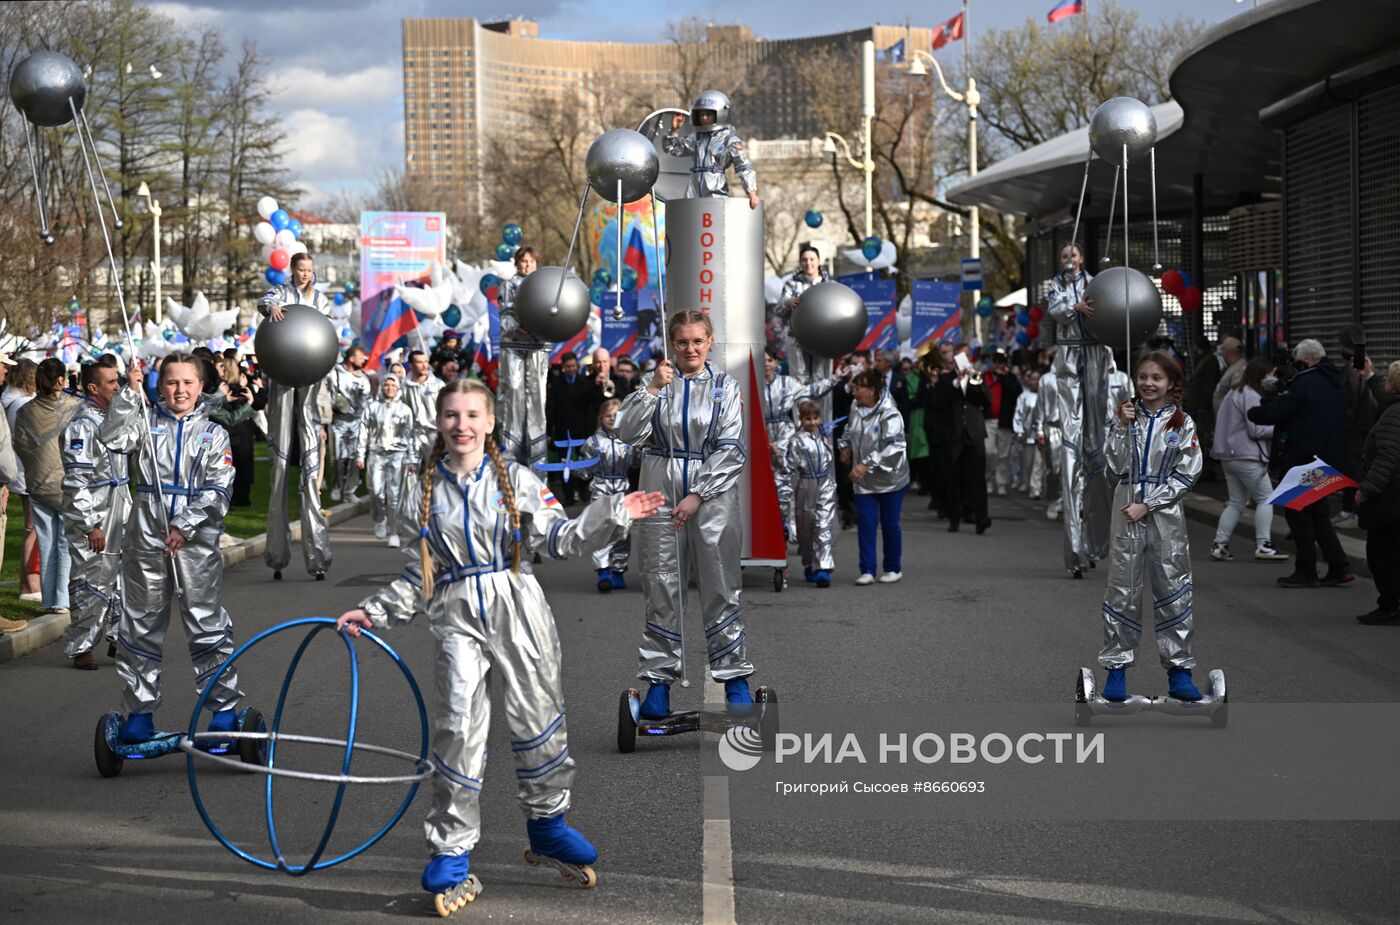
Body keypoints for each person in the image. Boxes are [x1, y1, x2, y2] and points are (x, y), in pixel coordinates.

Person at [336, 379, 662, 910]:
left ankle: (548, 825)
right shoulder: (421, 490)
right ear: (438, 422)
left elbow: (559, 539)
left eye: (472, 415)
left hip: (518, 608)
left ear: (489, 423)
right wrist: (373, 611)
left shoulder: (516, 479)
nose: (461, 425)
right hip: (456, 614)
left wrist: (614, 512)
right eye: (451, 415)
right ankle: (452, 849)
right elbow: (419, 575)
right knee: (457, 727)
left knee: (539, 718)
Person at [614, 311, 754, 720]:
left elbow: (732, 448)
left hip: (712, 497)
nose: (690, 349)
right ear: (671, 344)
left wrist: (698, 493)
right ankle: (659, 681)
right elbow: (626, 433)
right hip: (659, 487)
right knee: (661, 583)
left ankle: (734, 677)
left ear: (710, 341)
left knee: (720, 584)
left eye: (697, 341)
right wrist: (652, 389)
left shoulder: (726, 387)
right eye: (681, 342)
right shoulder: (656, 382)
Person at [99, 354, 243, 744]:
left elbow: (219, 489)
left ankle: (224, 711)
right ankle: (140, 713)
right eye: (172, 382)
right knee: (141, 625)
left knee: (205, 623)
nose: (180, 390)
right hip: (146, 537)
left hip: (196, 543)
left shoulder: (213, 434)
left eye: (188, 382)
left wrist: (186, 524)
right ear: (160, 386)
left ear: (201, 386)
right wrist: (128, 394)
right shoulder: (144, 425)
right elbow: (112, 438)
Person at [1099, 351, 1205, 703]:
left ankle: (1180, 671)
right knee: (1123, 588)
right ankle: (1116, 669)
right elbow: (1115, 469)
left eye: (1156, 377)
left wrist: (1149, 504)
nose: (1148, 383)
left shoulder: (1182, 423)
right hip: (1126, 510)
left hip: (1165, 516)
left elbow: (1187, 473)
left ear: (1171, 383)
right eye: (1142, 376)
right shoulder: (1125, 416)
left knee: (1173, 588)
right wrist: (1120, 426)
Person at [1248, 339, 1354, 589]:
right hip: (1330, 456)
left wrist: (1264, 401)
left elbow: (1275, 412)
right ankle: (1339, 566)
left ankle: (1307, 570)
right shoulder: (1337, 381)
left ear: (1304, 361)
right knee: (1318, 514)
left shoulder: (1303, 384)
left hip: (1304, 458)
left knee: (1298, 513)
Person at [257, 251, 332, 581]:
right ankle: (277, 553)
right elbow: (264, 301)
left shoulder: (320, 298)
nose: (306, 274)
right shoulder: (281, 292)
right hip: (282, 374)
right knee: (279, 462)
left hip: (311, 374)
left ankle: (318, 555)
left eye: (309, 270)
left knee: (310, 466)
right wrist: (271, 308)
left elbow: (326, 330)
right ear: (292, 269)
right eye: (301, 269)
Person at [59, 358, 129, 669]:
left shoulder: (113, 420)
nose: (118, 386)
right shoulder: (82, 426)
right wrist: (90, 525)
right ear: (93, 388)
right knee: (91, 579)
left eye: (118, 380)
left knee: (123, 577)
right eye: (112, 382)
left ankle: (119, 637)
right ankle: (81, 645)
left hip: (120, 508)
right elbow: (76, 482)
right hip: (95, 512)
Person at [1047, 243, 1110, 577]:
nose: (1069, 259)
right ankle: (1074, 549)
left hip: (1095, 355)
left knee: (1096, 448)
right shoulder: (1056, 284)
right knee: (1071, 449)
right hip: (1069, 357)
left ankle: (1095, 542)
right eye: (1064, 255)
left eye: (1073, 254)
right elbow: (1056, 310)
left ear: (1082, 258)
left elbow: (1109, 309)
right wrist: (1076, 306)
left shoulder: (1096, 282)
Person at [13, 358, 83, 615]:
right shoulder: (75, 406)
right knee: (64, 541)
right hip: (66, 484)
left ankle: (50, 599)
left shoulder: (26, 411)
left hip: (38, 483)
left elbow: (20, 445)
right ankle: (62, 599)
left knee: (46, 541)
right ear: (62, 380)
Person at [1209, 356, 1289, 563]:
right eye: (1270, 374)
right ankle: (1263, 544)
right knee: (1266, 498)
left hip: (1227, 455)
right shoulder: (1252, 396)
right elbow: (1256, 429)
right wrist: (1280, 428)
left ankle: (1220, 544)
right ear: (1261, 375)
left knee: (1236, 502)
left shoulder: (1233, 393)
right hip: (1248, 456)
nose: (1272, 379)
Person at [761, 347, 841, 539]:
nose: (766, 364)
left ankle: (790, 531)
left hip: (784, 433)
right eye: (762, 361)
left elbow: (811, 390)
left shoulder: (787, 383)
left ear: (776, 362)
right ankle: (768, 531)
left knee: (785, 485)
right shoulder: (754, 382)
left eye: (770, 360)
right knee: (763, 487)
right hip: (762, 431)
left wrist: (834, 378)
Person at [840, 368, 909, 585]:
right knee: (866, 524)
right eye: (853, 388)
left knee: (889, 524)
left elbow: (895, 447)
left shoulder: (890, 413)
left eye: (858, 388)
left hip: (890, 479)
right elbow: (849, 428)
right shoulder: (855, 406)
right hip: (864, 479)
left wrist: (866, 463)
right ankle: (867, 570)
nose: (854, 393)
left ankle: (893, 568)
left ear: (872, 390)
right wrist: (845, 445)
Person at [922, 347, 991, 534]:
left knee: (978, 477)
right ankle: (954, 517)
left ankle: (982, 518)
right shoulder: (946, 379)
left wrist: (975, 380)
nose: (965, 359)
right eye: (961, 356)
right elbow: (938, 401)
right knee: (953, 477)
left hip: (974, 432)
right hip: (954, 433)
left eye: (967, 356)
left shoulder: (976, 376)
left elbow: (986, 400)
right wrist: (956, 382)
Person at [497, 246, 550, 468]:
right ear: (517, 263)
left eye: (531, 261)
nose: (527, 265)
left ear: (536, 264)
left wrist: (546, 329)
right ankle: (510, 462)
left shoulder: (544, 284)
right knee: (514, 395)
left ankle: (538, 465)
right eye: (523, 261)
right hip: (514, 345)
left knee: (537, 399)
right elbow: (505, 313)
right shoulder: (509, 285)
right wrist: (517, 329)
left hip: (538, 347)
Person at [1355, 361, 1400, 624]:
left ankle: (1389, 606)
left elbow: (1387, 458)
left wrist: (1366, 489)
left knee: (1383, 554)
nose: (1385, 383)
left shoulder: (1394, 414)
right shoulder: (1392, 408)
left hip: (1391, 495)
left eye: (1388, 379)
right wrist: (1369, 376)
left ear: (1393, 384)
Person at [664, 90, 759, 207]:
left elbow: (743, 166)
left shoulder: (730, 141)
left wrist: (751, 192)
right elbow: (672, 149)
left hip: (716, 192)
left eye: (708, 114)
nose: (704, 118)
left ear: (721, 114)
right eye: (701, 114)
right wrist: (674, 131)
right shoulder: (695, 138)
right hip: (693, 192)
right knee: (689, 216)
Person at [579, 398, 636, 592]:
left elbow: (638, 463)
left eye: (616, 415)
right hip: (600, 490)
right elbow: (585, 471)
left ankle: (618, 571)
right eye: (608, 416)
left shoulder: (629, 441)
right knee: (601, 530)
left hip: (622, 491)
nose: (612, 419)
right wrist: (572, 467)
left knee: (623, 531)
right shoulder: (593, 442)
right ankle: (603, 571)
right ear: (601, 418)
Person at [359, 374, 415, 548]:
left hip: (398, 455)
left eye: (393, 385)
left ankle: (394, 532)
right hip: (376, 455)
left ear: (398, 388)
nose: (390, 388)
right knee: (376, 492)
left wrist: (412, 459)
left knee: (394, 495)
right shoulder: (372, 408)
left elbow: (410, 435)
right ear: (382, 387)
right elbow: (363, 431)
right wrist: (360, 454)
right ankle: (379, 519)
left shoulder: (405, 410)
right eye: (387, 385)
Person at [787, 399, 837, 587]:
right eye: (808, 418)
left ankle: (823, 568)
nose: (812, 422)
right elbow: (789, 466)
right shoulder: (796, 440)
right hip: (806, 485)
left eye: (815, 418)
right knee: (806, 529)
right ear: (801, 419)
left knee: (823, 525)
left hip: (824, 484)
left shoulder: (823, 436)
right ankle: (809, 563)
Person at [3, 358, 40, 601]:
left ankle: (29, 583)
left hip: (21, 470)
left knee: (32, 528)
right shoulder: (23, 403)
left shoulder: (11, 401)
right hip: (28, 471)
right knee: (32, 529)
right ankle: (30, 585)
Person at [546, 352, 598, 506]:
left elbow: (591, 406)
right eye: (568, 366)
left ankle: (584, 491)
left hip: (582, 430)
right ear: (563, 366)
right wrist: (549, 432)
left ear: (577, 366)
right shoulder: (555, 384)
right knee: (565, 463)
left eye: (573, 366)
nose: (571, 369)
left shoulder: (585, 383)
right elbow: (551, 410)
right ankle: (568, 496)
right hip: (563, 430)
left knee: (584, 461)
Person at [777, 245, 830, 380]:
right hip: (797, 338)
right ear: (800, 262)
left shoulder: (829, 285)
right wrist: (787, 303)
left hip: (823, 338)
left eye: (812, 259)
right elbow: (778, 310)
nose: (808, 263)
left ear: (819, 261)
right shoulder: (791, 284)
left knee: (821, 379)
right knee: (799, 379)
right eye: (804, 260)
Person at [327, 345, 372, 502]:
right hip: (338, 422)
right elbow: (327, 394)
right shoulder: (335, 374)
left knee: (355, 457)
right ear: (351, 358)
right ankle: (337, 486)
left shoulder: (364, 378)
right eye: (361, 357)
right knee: (338, 457)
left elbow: (368, 401)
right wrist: (331, 406)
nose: (363, 360)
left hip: (357, 423)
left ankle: (349, 491)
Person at [981, 350, 1021, 496]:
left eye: (1001, 363)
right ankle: (988, 479)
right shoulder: (984, 377)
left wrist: (1005, 378)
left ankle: (1001, 483)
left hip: (1005, 421)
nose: (998, 366)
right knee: (989, 452)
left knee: (1003, 455)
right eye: (995, 363)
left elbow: (1017, 393)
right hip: (988, 420)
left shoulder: (1010, 378)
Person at [1035, 351, 1063, 520]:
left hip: (1073, 429)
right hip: (1052, 428)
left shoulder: (1077, 378)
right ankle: (1053, 499)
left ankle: (1072, 501)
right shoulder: (1046, 379)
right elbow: (1040, 405)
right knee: (1053, 468)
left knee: (1076, 469)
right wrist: (1038, 429)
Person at [1013, 369, 1043, 498]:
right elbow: (1018, 415)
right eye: (1033, 379)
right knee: (1027, 462)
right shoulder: (1023, 396)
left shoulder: (1045, 395)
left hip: (1041, 434)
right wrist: (1019, 431)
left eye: (1038, 379)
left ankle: (1035, 487)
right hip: (1027, 435)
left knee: (1038, 462)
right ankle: (1025, 480)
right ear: (1029, 381)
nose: (1036, 382)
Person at [1211, 336, 1246, 414]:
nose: (1222, 353)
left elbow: (1237, 395)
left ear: (1229, 352)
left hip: (1230, 415)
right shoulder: (1233, 367)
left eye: (1223, 350)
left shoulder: (1240, 369)